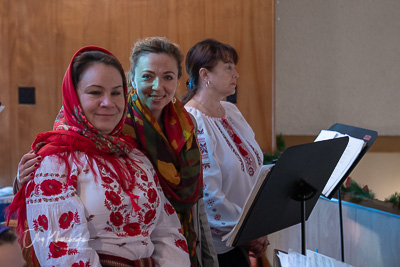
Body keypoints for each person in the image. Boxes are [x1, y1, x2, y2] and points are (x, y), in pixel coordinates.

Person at [14, 37, 218, 267]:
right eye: (94, 92)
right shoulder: (57, 161)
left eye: (115, 93)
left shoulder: (135, 154)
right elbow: (64, 251)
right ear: (74, 96)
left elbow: (168, 231)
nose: (107, 103)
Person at [182, 38, 270, 267]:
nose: (236, 74)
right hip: (217, 247)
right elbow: (208, 193)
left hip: (246, 234)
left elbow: (255, 168)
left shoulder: (231, 111)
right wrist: (247, 232)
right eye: (228, 67)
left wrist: (257, 227)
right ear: (205, 75)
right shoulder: (191, 120)